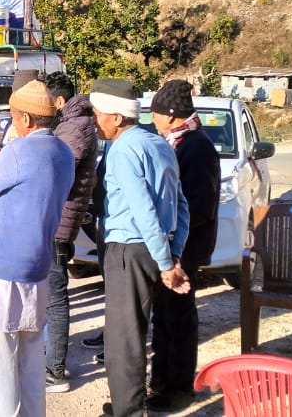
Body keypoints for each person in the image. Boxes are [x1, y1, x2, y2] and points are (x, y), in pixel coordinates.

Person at [0, 80, 74, 417]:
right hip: (38, 264)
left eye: (12, 115)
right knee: (30, 361)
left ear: (25, 118)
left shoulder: (19, 151)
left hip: (4, 267)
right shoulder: (63, 152)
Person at [88, 78, 191, 417]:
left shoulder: (123, 149)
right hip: (151, 249)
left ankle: (129, 410)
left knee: (123, 340)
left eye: (98, 114)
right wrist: (172, 254)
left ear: (117, 117)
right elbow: (180, 205)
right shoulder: (159, 143)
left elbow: (142, 209)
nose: (94, 121)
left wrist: (167, 263)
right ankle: (126, 403)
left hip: (128, 249)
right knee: (134, 332)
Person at [147, 79, 221, 412]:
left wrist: (173, 231)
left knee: (178, 318)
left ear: (171, 115)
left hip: (186, 248)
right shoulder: (175, 141)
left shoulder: (197, 147)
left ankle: (179, 388)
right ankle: (161, 379)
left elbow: (201, 206)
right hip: (172, 246)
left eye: (156, 113)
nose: (153, 119)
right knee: (163, 316)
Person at [41, 72, 99, 394]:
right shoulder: (72, 123)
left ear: (60, 101)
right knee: (52, 294)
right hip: (60, 216)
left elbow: (56, 168)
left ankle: (56, 370)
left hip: (60, 219)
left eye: (46, 101)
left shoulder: (75, 127)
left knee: (55, 297)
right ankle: (50, 359)